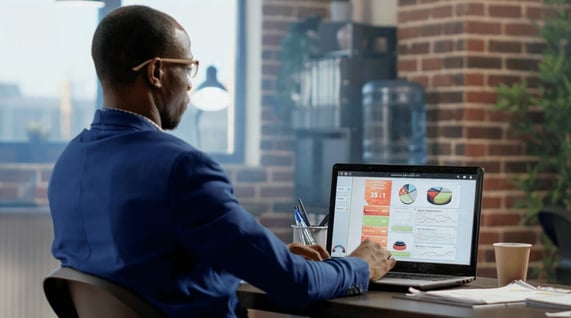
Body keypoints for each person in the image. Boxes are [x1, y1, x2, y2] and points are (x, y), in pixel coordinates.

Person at [47, 5, 396, 317]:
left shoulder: (69, 161)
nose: (188, 86)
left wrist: (262, 260)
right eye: (187, 68)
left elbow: (146, 270)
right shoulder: (182, 168)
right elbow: (295, 286)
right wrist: (357, 265)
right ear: (155, 72)